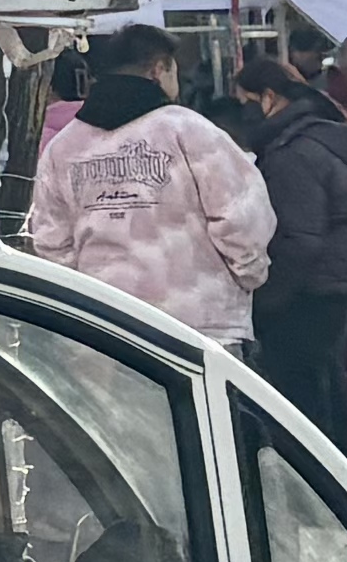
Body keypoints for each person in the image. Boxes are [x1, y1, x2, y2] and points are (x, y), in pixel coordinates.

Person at [24, 22, 282, 345]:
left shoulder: (63, 148)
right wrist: (247, 277)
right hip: (201, 327)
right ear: (159, 70)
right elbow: (244, 219)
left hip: (109, 329)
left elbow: (51, 244)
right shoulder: (191, 131)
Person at [246, 54, 347, 474]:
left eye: (246, 101)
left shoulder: (291, 153)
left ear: (268, 98)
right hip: (334, 281)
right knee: (328, 395)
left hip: (308, 289)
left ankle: (323, 492)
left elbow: (301, 237)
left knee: (307, 404)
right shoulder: (320, 138)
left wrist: (269, 297)